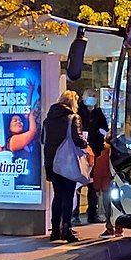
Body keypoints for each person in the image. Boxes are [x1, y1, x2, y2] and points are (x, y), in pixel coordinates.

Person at [43, 90, 88, 243]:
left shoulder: (48, 119)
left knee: (58, 195)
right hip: (67, 162)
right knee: (68, 195)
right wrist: (86, 143)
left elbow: (43, 139)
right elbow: (78, 140)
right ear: (73, 102)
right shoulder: (73, 118)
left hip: (51, 162)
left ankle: (54, 230)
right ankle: (66, 230)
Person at [78, 88, 109, 224]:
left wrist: (101, 133)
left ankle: (92, 212)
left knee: (93, 184)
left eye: (94, 96)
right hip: (81, 152)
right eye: (90, 95)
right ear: (83, 98)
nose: (92, 98)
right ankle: (75, 213)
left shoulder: (98, 113)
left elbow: (105, 129)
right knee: (78, 183)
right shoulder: (78, 112)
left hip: (95, 151)